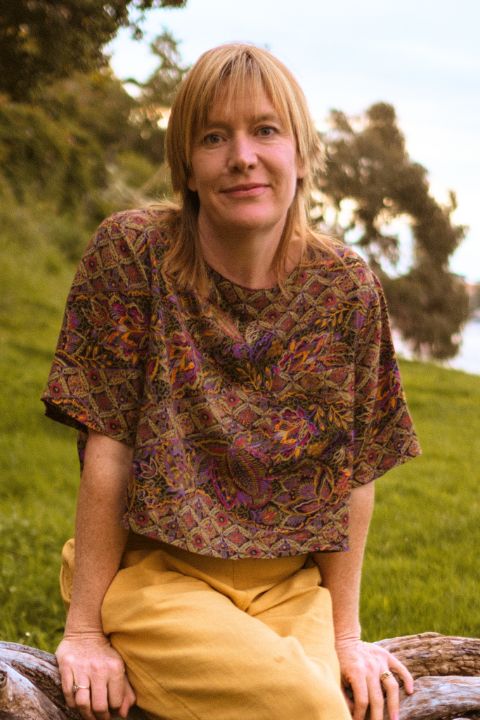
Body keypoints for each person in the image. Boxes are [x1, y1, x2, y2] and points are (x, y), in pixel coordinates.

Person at [42, 43, 421, 720]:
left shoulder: (346, 288)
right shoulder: (133, 256)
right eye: (213, 137)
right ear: (187, 166)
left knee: (347, 701)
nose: (242, 156)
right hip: (152, 574)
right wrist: (85, 631)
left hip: (288, 587)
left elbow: (356, 473)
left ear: (302, 155)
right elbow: (111, 452)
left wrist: (345, 634)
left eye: (265, 130)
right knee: (311, 709)